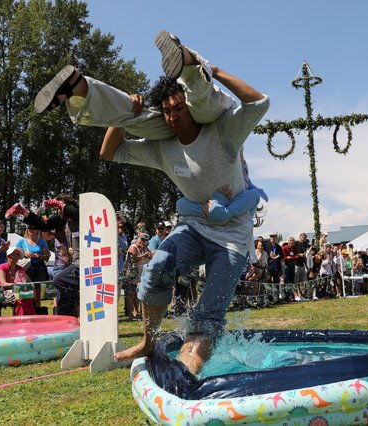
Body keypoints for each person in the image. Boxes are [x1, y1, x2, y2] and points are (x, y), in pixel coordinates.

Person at [34, 30, 269, 373]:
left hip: (232, 236)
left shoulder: (222, 132)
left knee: (210, 310)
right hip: (194, 228)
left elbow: (259, 103)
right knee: (157, 268)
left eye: (179, 108)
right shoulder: (163, 146)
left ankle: (187, 371)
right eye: (167, 112)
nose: (174, 116)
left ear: (190, 106)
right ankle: (148, 342)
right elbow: (110, 152)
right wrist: (123, 117)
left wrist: (213, 71)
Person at [16, 225, 50, 310]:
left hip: (39, 268)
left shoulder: (42, 242)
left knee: (37, 292)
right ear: (27, 229)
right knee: (26, 290)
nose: (32, 229)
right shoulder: (21, 241)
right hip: (26, 269)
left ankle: (37, 310)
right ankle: (25, 310)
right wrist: (24, 254)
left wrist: (38, 256)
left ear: (38, 230)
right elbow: (14, 255)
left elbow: (47, 257)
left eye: (34, 228)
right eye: (30, 228)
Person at [124, 234, 152, 321]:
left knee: (137, 295)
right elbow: (133, 259)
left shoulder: (144, 247)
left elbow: (150, 255)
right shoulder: (133, 247)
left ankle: (136, 314)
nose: (142, 241)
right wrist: (144, 255)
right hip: (132, 275)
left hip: (140, 276)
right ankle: (131, 314)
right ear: (137, 239)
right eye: (141, 239)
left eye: (144, 240)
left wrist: (148, 254)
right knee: (131, 295)